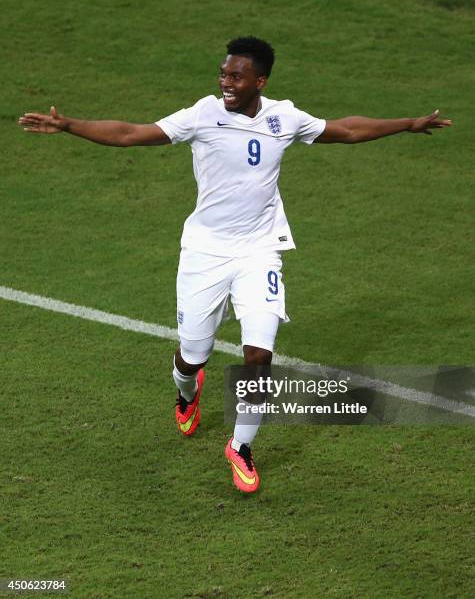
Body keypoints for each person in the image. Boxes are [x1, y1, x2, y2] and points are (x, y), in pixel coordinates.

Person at [19, 36, 452, 493]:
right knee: (192, 356)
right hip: (205, 252)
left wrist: (407, 123)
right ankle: (187, 392)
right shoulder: (203, 115)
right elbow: (131, 134)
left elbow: (345, 129)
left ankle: (240, 447)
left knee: (260, 355)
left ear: (259, 81)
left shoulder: (283, 117)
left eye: (236, 76)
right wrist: (69, 126)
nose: (225, 82)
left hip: (259, 250)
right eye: (223, 74)